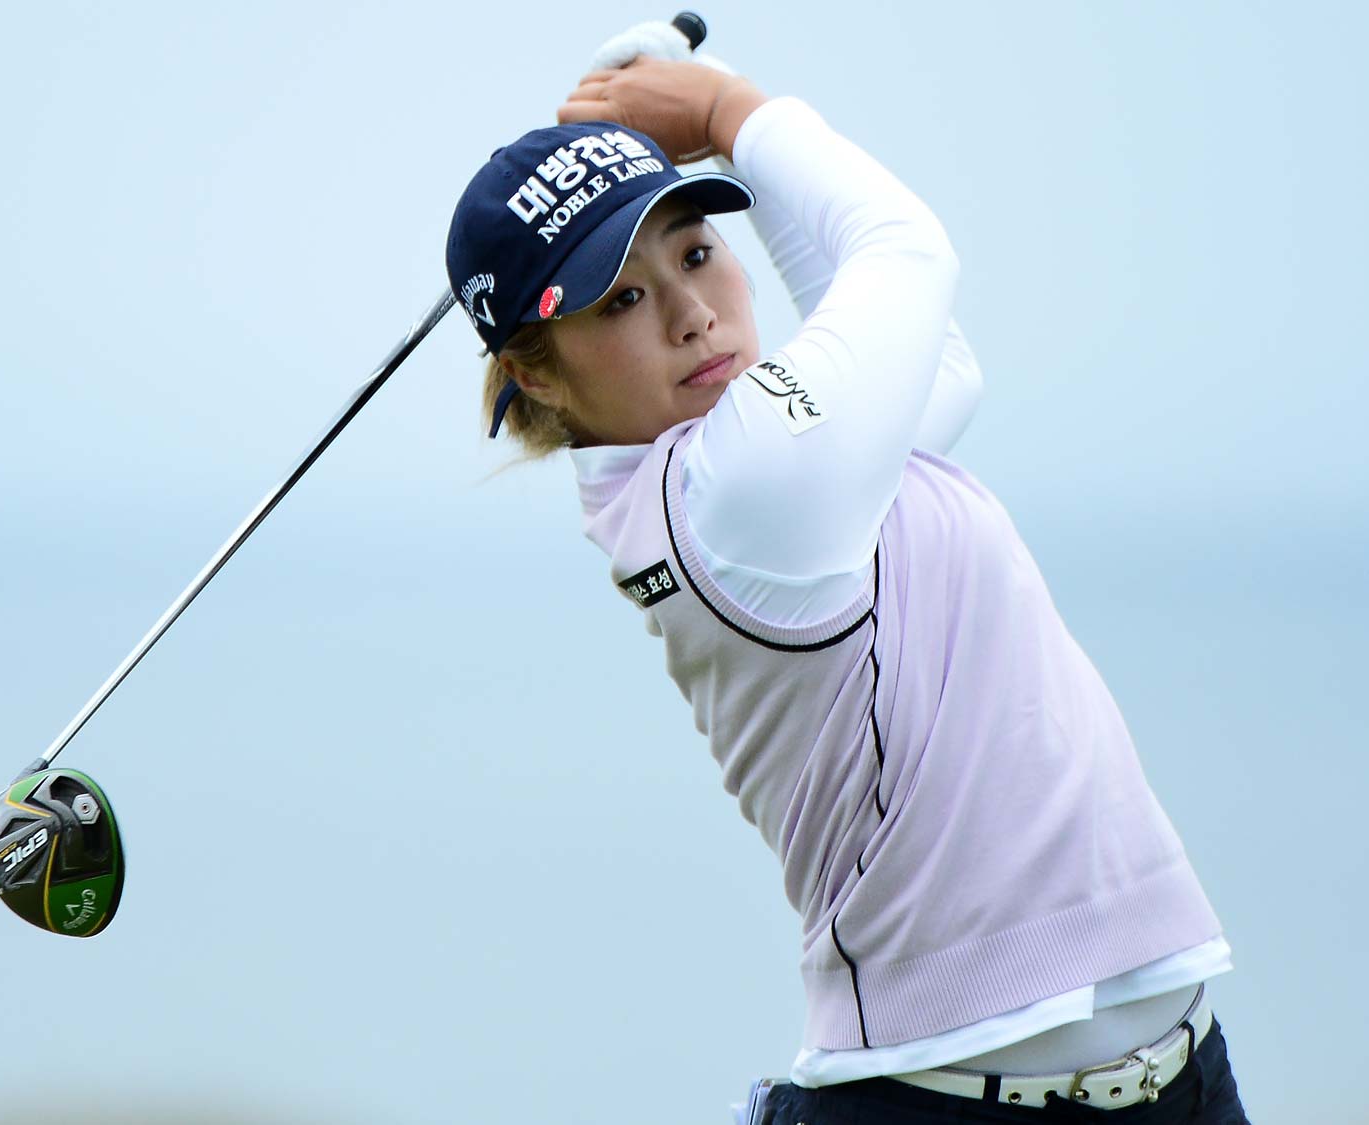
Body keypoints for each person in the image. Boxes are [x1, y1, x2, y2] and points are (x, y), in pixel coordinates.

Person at [443, 21, 1251, 1125]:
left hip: (1174, 1079)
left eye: (694, 253)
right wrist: (726, 112)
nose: (690, 313)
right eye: (620, 299)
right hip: (939, 1105)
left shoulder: (769, 461)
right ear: (534, 376)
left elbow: (938, 355)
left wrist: (720, 133)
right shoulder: (740, 490)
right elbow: (905, 256)